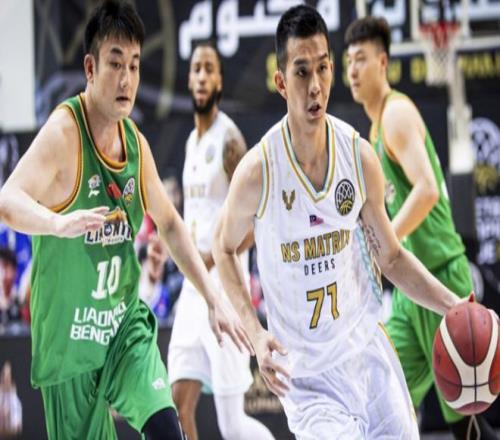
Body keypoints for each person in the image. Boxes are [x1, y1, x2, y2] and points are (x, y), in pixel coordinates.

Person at [212, 5, 483, 439]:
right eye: (301, 72)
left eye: (322, 68)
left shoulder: (358, 157)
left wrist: (455, 306)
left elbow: (391, 257)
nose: (315, 86)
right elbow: (222, 247)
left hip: (367, 356)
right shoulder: (259, 170)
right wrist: (255, 333)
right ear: (281, 82)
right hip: (308, 381)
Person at [0, 2, 251, 439]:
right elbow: (7, 200)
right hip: (69, 340)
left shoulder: (135, 142)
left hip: (121, 329)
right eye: (116, 63)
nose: (127, 79)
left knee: (167, 428)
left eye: (134, 65)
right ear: (90, 68)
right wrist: (57, 223)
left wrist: (213, 297)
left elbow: (169, 223)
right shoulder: (63, 132)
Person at [345, 17, 498, 440]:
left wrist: (382, 244)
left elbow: (428, 189)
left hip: (440, 274)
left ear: (383, 63)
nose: (352, 70)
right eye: (348, 61)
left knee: (465, 419)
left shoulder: (396, 113)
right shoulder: (375, 129)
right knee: (381, 395)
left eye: (361, 59)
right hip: (409, 290)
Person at [167, 41, 274, 440]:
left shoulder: (229, 140)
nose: (201, 76)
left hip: (225, 288)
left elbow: (254, 224)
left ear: (219, 81)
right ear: (189, 79)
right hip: (194, 290)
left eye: (208, 69)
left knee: (231, 426)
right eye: (196, 69)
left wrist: (211, 258)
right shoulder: (191, 143)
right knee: (178, 406)